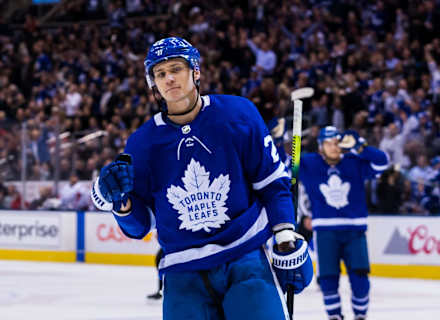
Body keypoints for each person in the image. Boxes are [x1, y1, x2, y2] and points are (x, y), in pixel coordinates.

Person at [90, 37, 312, 320]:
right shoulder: (142, 144)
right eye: (160, 73)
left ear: (195, 71)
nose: (169, 78)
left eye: (176, 69)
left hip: (244, 259)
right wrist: (120, 206)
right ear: (153, 84)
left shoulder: (237, 114)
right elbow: (140, 225)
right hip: (183, 274)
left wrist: (284, 234)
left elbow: (271, 183)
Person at [298, 126, 388, 320]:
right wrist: (281, 142)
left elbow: (382, 162)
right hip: (325, 232)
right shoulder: (308, 164)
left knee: (360, 280)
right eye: (329, 143)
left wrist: (361, 147)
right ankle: (335, 317)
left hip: (354, 231)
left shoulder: (354, 162)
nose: (334, 147)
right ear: (321, 146)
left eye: (337, 143)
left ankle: (360, 316)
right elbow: (283, 166)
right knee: (328, 280)